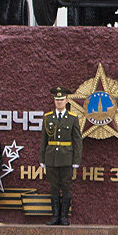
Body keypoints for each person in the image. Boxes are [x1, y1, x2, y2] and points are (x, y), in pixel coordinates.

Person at [39, 85, 83, 225]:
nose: (59, 102)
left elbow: (77, 140)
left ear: (67, 101)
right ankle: (55, 217)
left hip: (66, 158)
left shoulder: (72, 118)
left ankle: (64, 217)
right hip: (51, 158)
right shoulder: (47, 118)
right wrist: (42, 159)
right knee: (53, 187)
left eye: (62, 99)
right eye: (57, 100)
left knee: (66, 187)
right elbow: (43, 140)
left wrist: (76, 160)